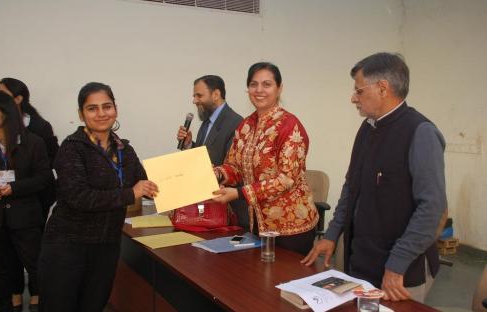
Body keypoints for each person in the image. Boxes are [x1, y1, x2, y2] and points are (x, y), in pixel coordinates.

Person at [301, 52, 447, 303]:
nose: (353, 98)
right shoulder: (368, 128)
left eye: (358, 91)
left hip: (400, 272)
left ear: (382, 88)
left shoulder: (420, 132)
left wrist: (397, 264)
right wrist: (331, 235)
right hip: (362, 263)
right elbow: (351, 188)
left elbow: (432, 209)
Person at [38, 82, 159, 312]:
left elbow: (148, 186)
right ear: (81, 114)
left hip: (106, 247)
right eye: (92, 108)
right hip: (68, 246)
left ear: (116, 109)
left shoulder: (125, 150)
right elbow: (79, 198)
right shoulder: (72, 148)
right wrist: (130, 193)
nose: (102, 113)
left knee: (93, 306)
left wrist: (188, 180)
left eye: (107, 106)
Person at [212, 62, 319, 255]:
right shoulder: (245, 126)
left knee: (286, 283)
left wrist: (240, 194)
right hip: (258, 225)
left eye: (267, 84)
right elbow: (235, 167)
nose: (259, 90)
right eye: (254, 84)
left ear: (279, 89)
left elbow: (286, 179)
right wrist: (216, 174)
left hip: (291, 228)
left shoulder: (289, 125)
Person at [0, 90, 53, 312]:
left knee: (38, 268)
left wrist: (13, 188)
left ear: (5, 113)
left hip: (25, 217)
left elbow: (44, 178)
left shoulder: (33, 142)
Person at [176, 75, 243, 166]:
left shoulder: (236, 123)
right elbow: (203, 156)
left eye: (199, 95)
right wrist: (189, 145)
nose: (194, 101)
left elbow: (232, 167)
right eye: (194, 96)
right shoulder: (207, 121)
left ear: (216, 95)